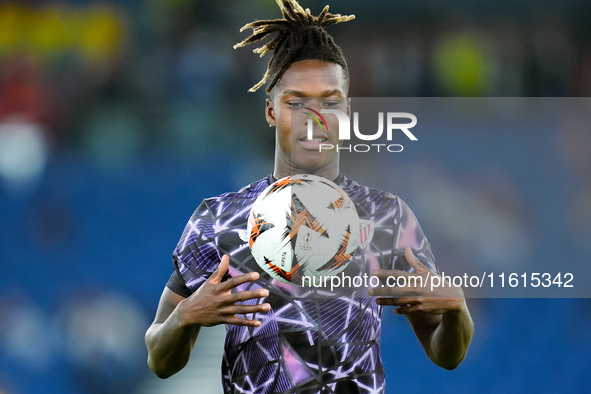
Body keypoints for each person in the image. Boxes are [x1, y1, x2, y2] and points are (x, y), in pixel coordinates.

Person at [145, 1, 474, 392]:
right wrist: (186, 317)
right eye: (296, 102)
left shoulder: (388, 217)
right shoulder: (218, 219)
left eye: (330, 103)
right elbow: (159, 360)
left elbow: (445, 354)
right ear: (270, 110)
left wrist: (457, 309)